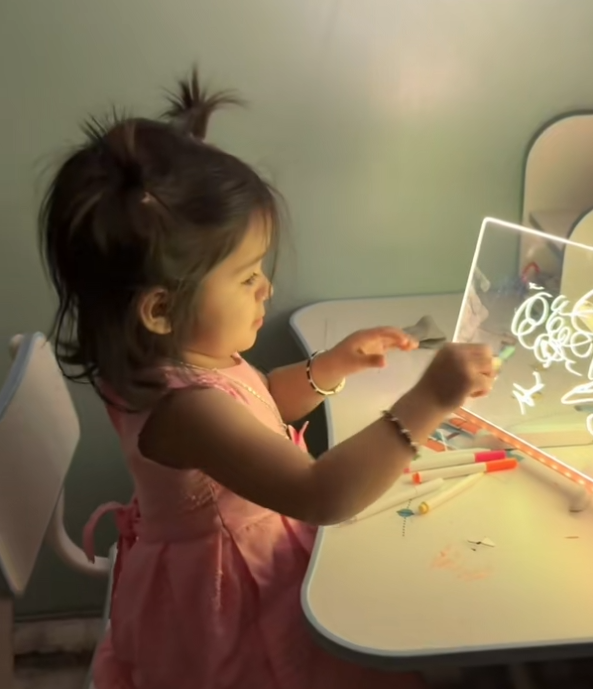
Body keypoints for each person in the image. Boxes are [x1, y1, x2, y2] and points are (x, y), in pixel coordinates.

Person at [39, 68, 494, 689]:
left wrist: (327, 370)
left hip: (249, 552)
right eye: (248, 276)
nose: (267, 288)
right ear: (161, 309)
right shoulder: (184, 409)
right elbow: (319, 494)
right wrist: (428, 401)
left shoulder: (186, 354)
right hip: (229, 602)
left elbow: (258, 405)